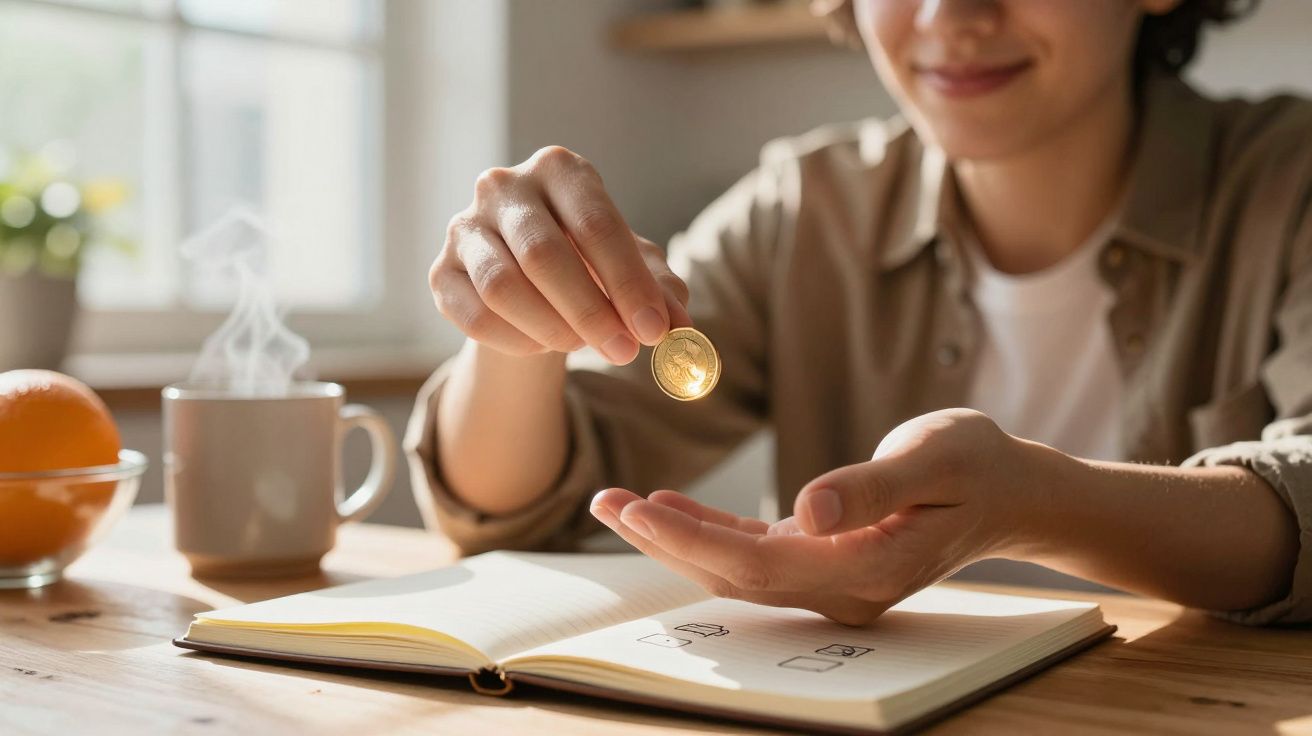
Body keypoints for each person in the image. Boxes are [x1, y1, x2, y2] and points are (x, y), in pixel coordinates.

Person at [407, 0, 1312, 626]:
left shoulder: (1290, 183)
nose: (949, 16)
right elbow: (509, 504)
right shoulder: (801, 208)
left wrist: (1037, 508)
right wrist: (517, 337)